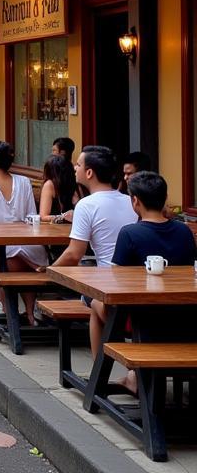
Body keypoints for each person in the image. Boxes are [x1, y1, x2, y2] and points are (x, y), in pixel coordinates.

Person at [111, 171, 197, 392]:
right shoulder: (184, 231)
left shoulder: (129, 233)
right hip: (185, 316)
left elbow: (115, 278)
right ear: (165, 198)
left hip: (143, 315)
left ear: (135, 201)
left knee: (97, 307)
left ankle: (125, 375)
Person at [50, 145, 138, 357]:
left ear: (89, 173)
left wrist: (50, 271)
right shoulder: (131, 201)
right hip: (136, 286)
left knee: (91, 300)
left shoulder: (86, 205)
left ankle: (98, 370)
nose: (74, 168)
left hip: (108, 290)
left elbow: (74, 254)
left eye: (78, 165)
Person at [0, 142, 47, 326]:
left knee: (7, 262)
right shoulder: (24, 182)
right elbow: (31, 216)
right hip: (27, 245)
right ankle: (30, 313)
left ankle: (8, 310)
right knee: (26, 261)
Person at [39, 153, 83, 222]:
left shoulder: (76, 185)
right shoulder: (50, 185)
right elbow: (43, 216)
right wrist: (63, 217)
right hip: (53, 229)